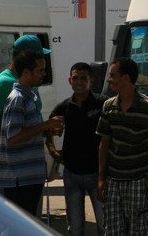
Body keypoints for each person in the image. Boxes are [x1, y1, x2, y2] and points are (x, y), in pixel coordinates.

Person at [97, 57, 148, 236]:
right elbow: (104, 143)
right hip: (113, 182)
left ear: (126, 78)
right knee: (112, 231)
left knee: (140, 230)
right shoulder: (108, 106)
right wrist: (101, 178)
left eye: (113, 75)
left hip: (138, 181)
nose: (109, 80)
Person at [0, 50, 65, 215]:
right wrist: (45, 125)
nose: (44, 74)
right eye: (40, 70)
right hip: (20, 181)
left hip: (29, 178)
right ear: (26, 73)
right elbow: (13, 137)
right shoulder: (18, 98)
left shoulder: (29, 96)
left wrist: (48, 129)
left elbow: (28, 133)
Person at [0, 34, 51, 189]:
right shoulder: (2, 83)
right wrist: (11, 149)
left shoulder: (30, 80)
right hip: (12, 168)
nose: (43, 70)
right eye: (38, 57)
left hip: (30, 164)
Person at [47, 62, 108, 236]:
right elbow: (48, 129)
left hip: (97, 175)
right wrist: (52, 150)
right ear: (70, 80)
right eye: (75, 78)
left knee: (105, 226)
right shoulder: (64, 107)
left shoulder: (102, 104)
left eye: (83, 78)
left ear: (91, 80)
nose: (79, 82)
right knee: (75, 228)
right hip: (72, 175)